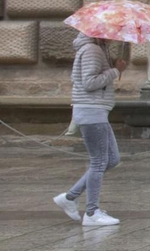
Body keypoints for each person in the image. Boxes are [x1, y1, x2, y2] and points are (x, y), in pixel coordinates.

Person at [54, 33, 127, 226]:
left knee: (112, 159)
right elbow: (89, 83)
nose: (116, 35)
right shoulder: (92, 50)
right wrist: (115, 71)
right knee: (99, 161)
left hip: (96, 111)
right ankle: (92, 212)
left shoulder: (96, 49)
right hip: (91, 111)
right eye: (113, 31)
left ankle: (70, 197)